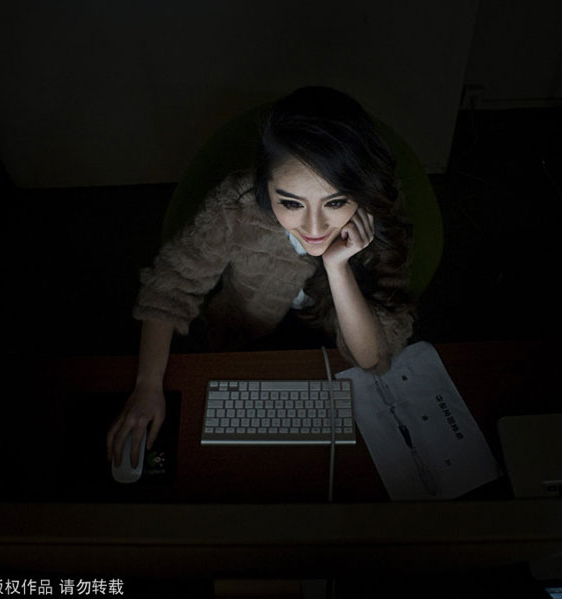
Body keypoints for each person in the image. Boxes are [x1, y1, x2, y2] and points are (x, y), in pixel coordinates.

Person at [107, 86, 415, 468]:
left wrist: (338, 268)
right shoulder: (235, 205)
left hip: (336, 353)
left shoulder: (378, 214)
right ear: (264, 186)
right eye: (291, 202)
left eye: (335, 202)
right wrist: (147, 386)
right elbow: (171, 283)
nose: (315, 227)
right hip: (243, 337)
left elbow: (372, 361)